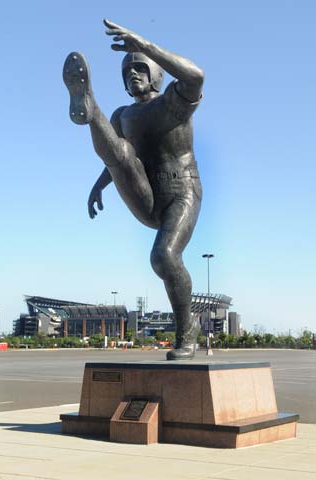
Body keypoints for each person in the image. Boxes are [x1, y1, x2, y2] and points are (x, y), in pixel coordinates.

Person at [63, 19, 204, 359]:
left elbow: (195, 76)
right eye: (127, 72)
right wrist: (99, 186)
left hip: (181, 192)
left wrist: (144, 44)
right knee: (122, 149)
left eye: (140, 68)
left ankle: (188, 332)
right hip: (145, 194)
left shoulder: (173, 102)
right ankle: (90, 109)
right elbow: (118, 157)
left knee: (164, 257)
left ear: (156, 73)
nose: (133, 75)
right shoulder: (124, 114)